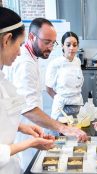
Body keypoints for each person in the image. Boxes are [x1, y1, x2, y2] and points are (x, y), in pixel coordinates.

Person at [3, 18, 87, 170]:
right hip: (22, 138)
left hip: (26, 128)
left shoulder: (31, 58)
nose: (50, 47)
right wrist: (64, 128)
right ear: (31, 37)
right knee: (29, 165)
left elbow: (12, 101)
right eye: (46, 42)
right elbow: (28, 108)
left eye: (52, 43)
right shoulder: (25, 63)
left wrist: (20, 126)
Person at [0, 7, 55, 174]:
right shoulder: (24, 63)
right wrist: (30, 143)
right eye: (19, 44)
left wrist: (21, 127)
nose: (19, 51)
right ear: (7, 39)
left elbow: (5, 110)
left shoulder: (2, 76)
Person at [45, 31, 83, 120]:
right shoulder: (55, 64)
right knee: (61, 133)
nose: (72, 48)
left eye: (75, 45)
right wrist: (59, 99)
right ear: (62, 46)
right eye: (68, 45)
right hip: (61, 108)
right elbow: (48, 89)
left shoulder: (77, 61)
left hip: (77, 105)